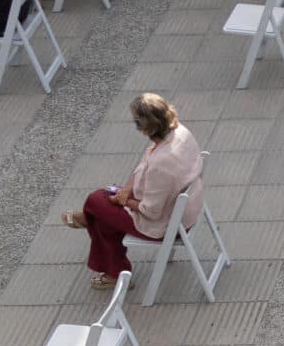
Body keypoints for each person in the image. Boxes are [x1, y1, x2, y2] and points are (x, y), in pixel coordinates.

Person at [60, 93, 203, 290]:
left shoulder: (161, 164)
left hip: (165, 224)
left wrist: (124, 201)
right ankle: (113, 269)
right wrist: (126, 189)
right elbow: (147, 160)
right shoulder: (180, 132)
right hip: (185, 209)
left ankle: (90, 221)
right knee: (104, 215)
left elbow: (151, 211)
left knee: (96, 201)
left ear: (144, 127)